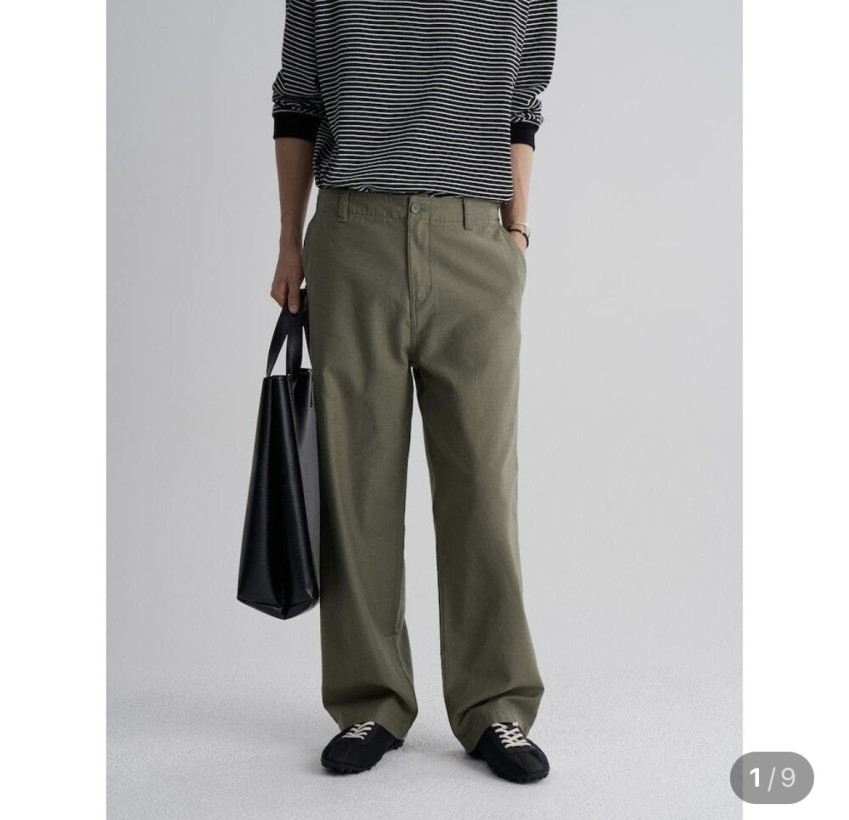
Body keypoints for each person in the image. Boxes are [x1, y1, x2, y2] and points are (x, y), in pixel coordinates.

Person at [269, 0, 557, 784]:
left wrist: (515, 232)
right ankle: (371, 701)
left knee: (482, 484)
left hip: (474, 240)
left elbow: (520, 102)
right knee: (356, 481)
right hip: (352, 235)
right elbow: (297, 98)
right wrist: (290, 241)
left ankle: (493, 705)